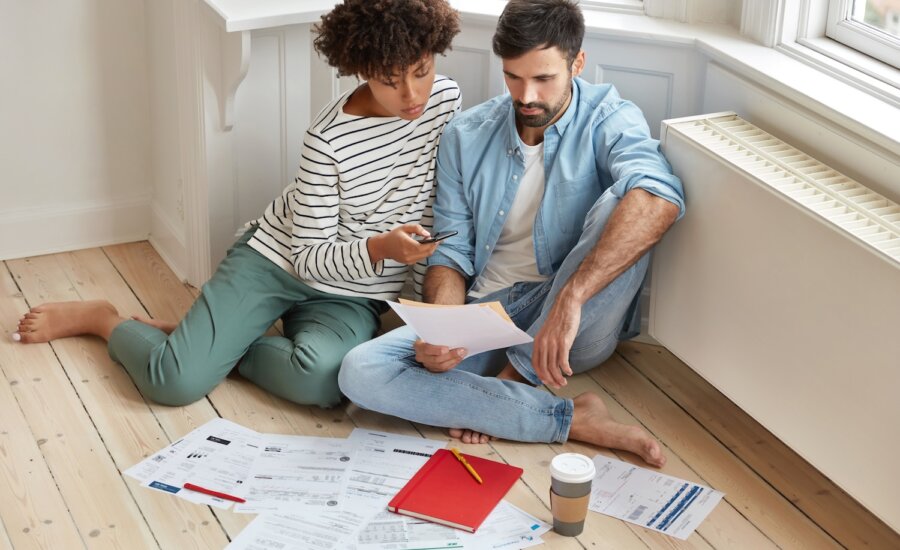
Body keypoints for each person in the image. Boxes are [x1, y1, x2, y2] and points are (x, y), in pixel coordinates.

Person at [12, 0, 462, 409]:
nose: (412, 94)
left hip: (354, 294)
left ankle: (215, 344)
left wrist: (430, 322)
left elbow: (436, 212)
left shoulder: (446, 102)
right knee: (174, 382)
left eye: (420, 70)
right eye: (390, 80)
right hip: (279, 261)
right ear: (361, 68)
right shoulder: (327, 141)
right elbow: (306, 259)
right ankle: (104, 320)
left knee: (326, 384)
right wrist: (380, 249)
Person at [339, 0, 684, 467]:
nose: (527, 97)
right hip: (490, 313)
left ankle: (512, 387)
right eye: (514, 77)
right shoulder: (467, 134)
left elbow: (660, 197)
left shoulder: (609, 117)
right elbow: (451, 250)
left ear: (577, 63)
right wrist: (444, 328)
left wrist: (571, 299)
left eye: (544, 79)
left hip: (573, 324)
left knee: (629, 201)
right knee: (360, 372)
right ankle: (570, 417)